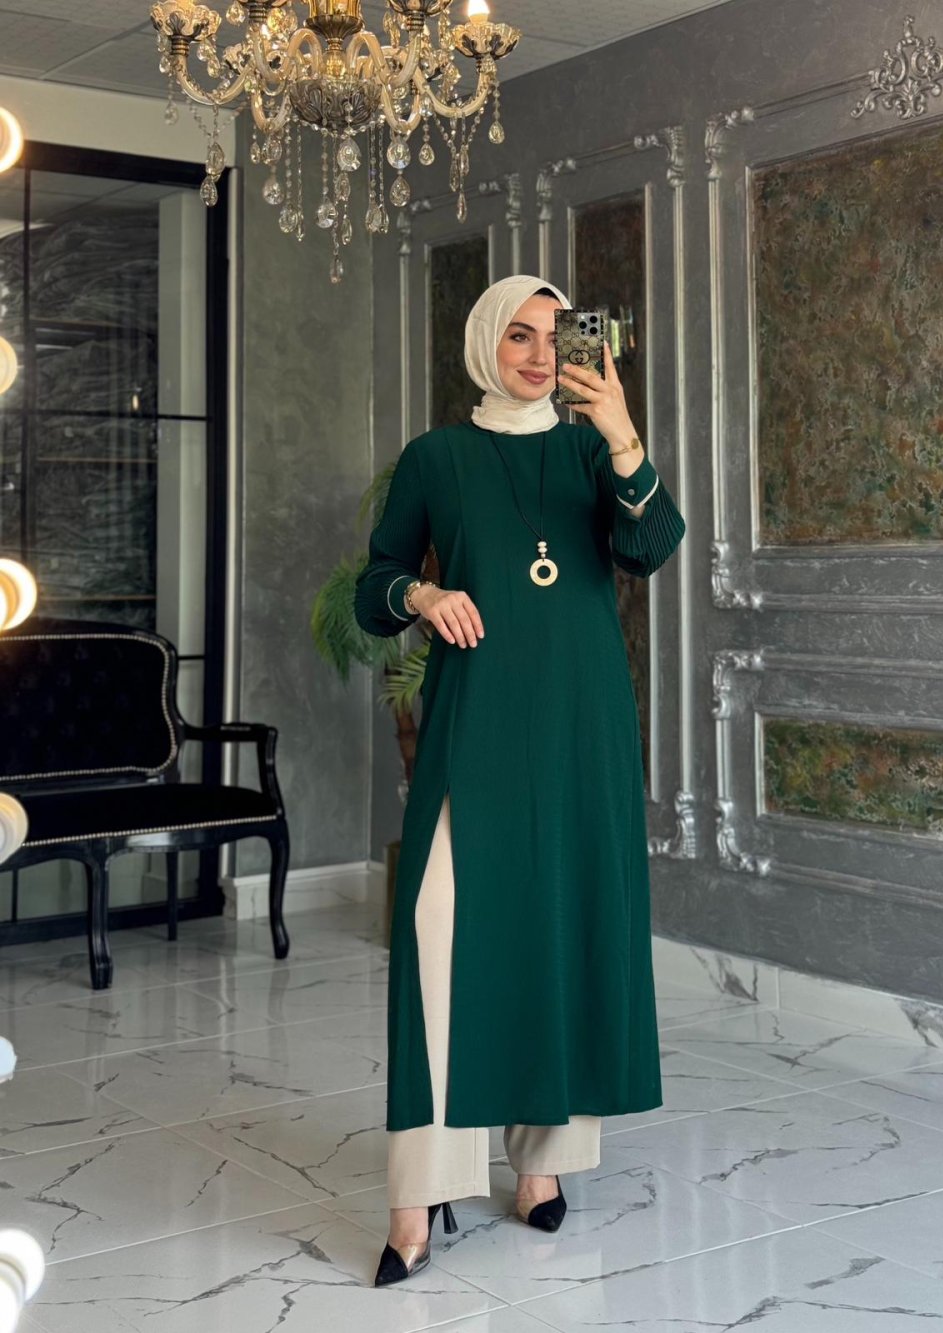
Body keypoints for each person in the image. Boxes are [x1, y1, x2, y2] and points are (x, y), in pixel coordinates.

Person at [354, 274, 685, 1287]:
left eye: (556, 336)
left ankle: (542, 1164)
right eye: (520, 337)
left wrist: (621, 433)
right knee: (440, 933)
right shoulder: (436, 457)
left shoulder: (591, 451)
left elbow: (650, 547)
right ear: (484, 345)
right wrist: (422, 594)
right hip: (478, 719)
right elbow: (373, 585)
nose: (542, 355)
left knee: (559, 928)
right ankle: (419, 1191)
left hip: (582, 724)